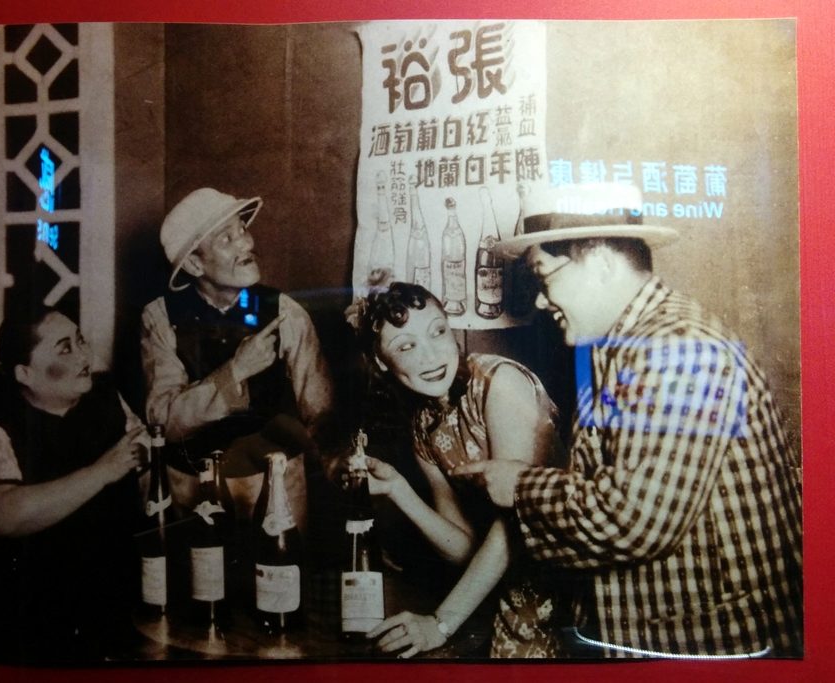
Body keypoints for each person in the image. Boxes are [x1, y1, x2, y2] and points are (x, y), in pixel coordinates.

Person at [452, 182, 803, 657]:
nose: (539, 301)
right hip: (671, 637)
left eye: (543, 276)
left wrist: (519, 486)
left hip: (719, 643)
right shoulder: (623, 344)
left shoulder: (677, 349)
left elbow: (632, 519)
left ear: (600, 264)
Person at [351, 281, 566, 658]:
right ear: (383, 362)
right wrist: (400, 490)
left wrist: (441, 622)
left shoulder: (500, 384)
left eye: (437, 332)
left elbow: (513, 525)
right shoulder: (424, 424)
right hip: (496, 590)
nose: (431, 355)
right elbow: (463, 549)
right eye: (406, 346)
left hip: (563, 586)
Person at [0, 304, 149, 663]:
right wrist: (103, 471)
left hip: (117, 602)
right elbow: (3, 516)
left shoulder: (108, 401)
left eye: (80, 341)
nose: (84, 355)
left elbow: (149, 477)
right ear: (24, 373)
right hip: (28, 619)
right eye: (64, 348)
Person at [140, 187, 334, 526]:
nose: (246, 244)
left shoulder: (285, 312)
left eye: (242, 229)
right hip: (193, 487)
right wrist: (236, 371)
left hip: (277, 484)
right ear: (194, 263)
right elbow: (164, 422)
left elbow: (320, 412)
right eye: (226, 238)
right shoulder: (160, 317)